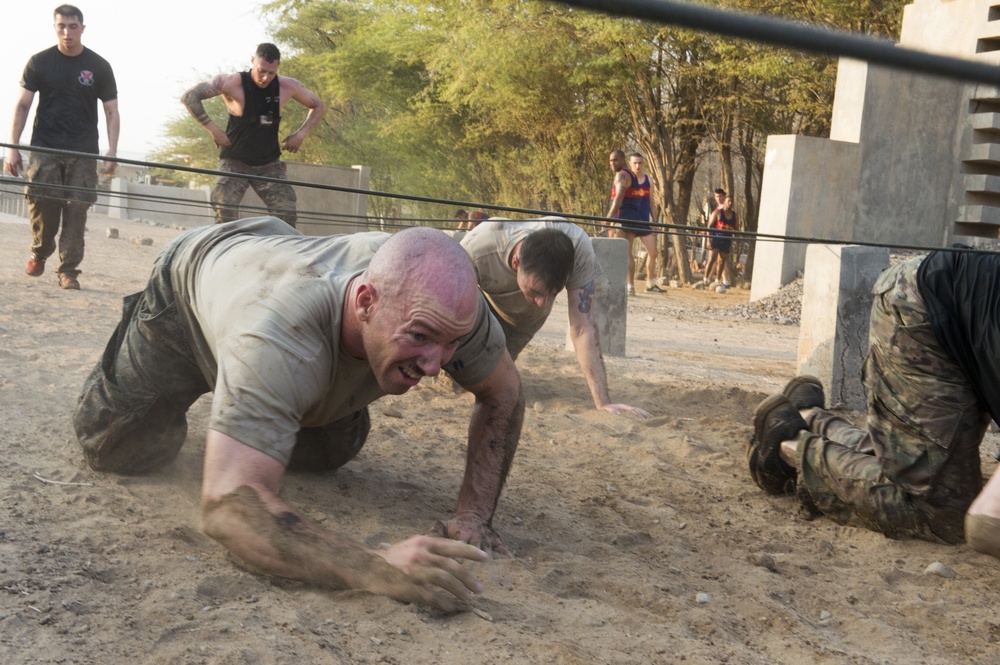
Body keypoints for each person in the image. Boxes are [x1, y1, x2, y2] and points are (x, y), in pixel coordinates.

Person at [72, 219, 524, 611]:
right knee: (118, 445)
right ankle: (219, 385)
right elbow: (228, 507)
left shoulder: (449, 305)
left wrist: (474, 515)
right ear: (366, 302)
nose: (434, 365)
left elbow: (504, 392)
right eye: (421, 337)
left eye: (451, 344)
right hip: (192, 283)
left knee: (329, 453)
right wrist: (375, 567)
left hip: (282, 285)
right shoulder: (279, 335)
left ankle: (260, 401)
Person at [746, 250, 1000, 559]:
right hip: (922, 315)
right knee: (942, 512)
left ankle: (809, 416)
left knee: (925, 465)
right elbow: (984, 522)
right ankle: (789, 447)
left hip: (945, 303)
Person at [461, 217, 651, 418]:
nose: (543, 303)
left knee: (491, 377)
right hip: (483, 308)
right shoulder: (478, 247)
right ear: (516, 263)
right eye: (536, 291)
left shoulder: (579, 250)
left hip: (523, 324)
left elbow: (582, 328)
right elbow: (446, 303)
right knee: (463, 373)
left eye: (552, 294)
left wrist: (603, 403)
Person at [4, 4, 119, 291]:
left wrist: (112, 150)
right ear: (54, 28)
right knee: (42, 202)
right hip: (45, 145)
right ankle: (40, 251)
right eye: (61, 27)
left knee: (77, 208)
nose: (67, 32)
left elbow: (111, 111)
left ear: (82, 27)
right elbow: (22, 105)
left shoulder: (100, 66)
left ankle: (69, 270)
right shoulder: (39, 62)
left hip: (83, 150)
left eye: (73, 26)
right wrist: (13, 148)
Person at [181, 43, 327, 227]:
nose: (265, 78)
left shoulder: (287, 86)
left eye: (271, 73)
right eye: (261, 71)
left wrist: (300, 134)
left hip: (269, 164)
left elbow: (319, 106)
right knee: (224, 207)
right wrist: (214, 130)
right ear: (252, 61)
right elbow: (189, 97)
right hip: (235, 161)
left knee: (287, 211)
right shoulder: (230, 82)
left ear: (278, 67)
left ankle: (280, 249)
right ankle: (225, 248)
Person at [605, 150, 661, 296]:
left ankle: (618, 284)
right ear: (630, 163)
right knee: (627, 253)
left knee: (617, 252)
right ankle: (629, 286)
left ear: (623, 160)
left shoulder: (622, 175)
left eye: (615, 160)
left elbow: (620, 196)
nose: (612, 163)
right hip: (631, 218)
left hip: (623, 218)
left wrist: (609, 217)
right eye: (611, 160)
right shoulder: (631, 176)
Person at [704, 195, 737, 292]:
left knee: (722, 261)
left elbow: (737, 230)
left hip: (727, 240)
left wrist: (737, 244)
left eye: (732, 201)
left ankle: (718, 280)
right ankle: (705, 278)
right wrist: (708, 240)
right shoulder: (718, 213)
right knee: (712, 258)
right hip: (716, 238)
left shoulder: (735, 216)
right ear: (725, 202)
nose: (730, 203)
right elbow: (709, 227)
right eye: (728, 201)